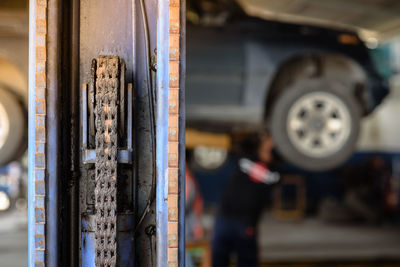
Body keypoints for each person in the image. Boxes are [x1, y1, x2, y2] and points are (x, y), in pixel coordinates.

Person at [212, 133, 280, 267]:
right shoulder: (246, 157)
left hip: (246, 224)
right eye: (268, 139)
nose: (269, 142)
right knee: (219, 258)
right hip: (224, 217)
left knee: (247, 260)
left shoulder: (275, 173)